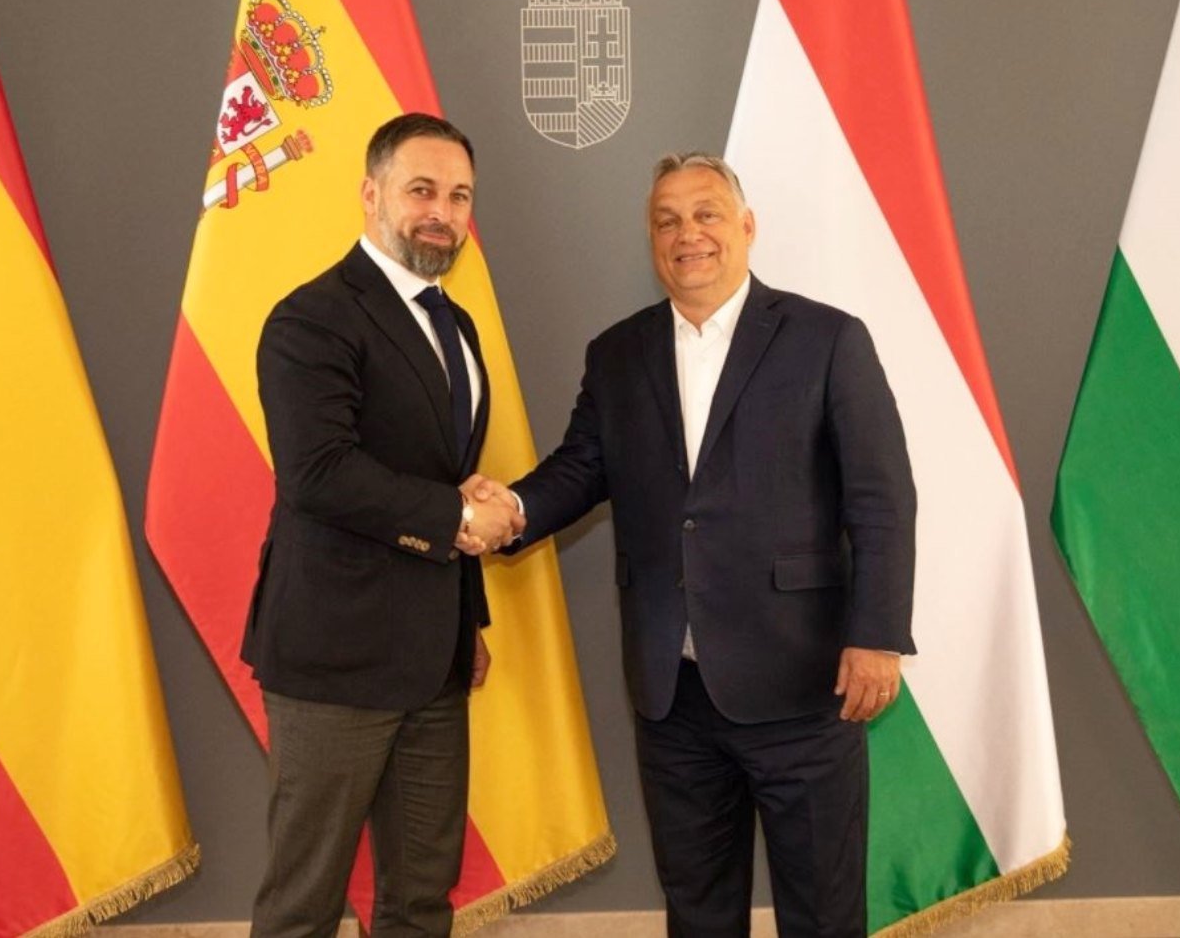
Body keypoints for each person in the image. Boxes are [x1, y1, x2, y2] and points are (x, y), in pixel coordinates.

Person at [473, 152, 916, 937]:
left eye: (707, 213)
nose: (689, 235)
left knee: (824, 915)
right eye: (667, 220)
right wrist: (509, 508)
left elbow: (881, 498)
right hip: (672, 697)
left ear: (746, 227)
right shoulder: (616, 352)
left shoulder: (828, 339)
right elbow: (579, 471)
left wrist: (877, 634)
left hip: (802, 687)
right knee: (699, 916)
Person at [242, 112, 523, 938]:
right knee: (305, 903)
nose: (443, 210)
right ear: (371, 195)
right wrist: (456, 514)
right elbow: (318, 474)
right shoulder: (312, 319)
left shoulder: (455, 322)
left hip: (434, 662)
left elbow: (428, 470)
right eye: (422, 190)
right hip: (333, 658)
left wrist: (465, 618)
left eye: (460, 195)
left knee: (421, 899)